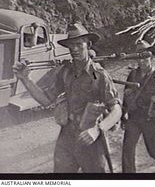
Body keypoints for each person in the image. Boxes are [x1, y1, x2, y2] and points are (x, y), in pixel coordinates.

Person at [12, 22, 122, 173]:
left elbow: (116, 110)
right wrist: (25, 79)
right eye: (71, 45)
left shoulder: (99, 74)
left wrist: (97, 130)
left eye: (78, 44)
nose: (74, 49)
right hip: (67, 136)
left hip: (89, 137)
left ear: (88, 44)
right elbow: (46, 100)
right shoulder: (65, 72)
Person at [121, 40, 155, 173]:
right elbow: (126, 97)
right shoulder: (133, 75)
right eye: (138, 57)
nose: (141, 61)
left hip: (151, 119)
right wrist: (123, 117)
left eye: (144, 57)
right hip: (134, 118)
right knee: (127, 149)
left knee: (154, 151)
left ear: (151, 57)